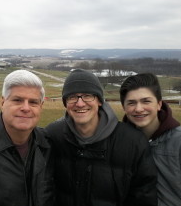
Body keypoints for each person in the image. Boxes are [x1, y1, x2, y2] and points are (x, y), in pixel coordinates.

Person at [45, 69, 157, 206]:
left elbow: (143, 198)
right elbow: (45, 189)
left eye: (87, 96)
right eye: (72, 97)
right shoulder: (52, 136)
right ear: (65, 103)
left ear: (99, 101)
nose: (80, 103)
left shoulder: (133, 142)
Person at [120, 73, 181, 206]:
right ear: (124, 107)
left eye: (146, 101)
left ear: (159, 104)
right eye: (131, 103)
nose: (139, 109)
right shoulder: (118, 144)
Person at [0, 69, 54, 206]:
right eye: (17, 100)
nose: (25, 108)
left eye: (33, 102)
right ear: (2, 103)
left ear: (41, 106)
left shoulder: (50, 145)